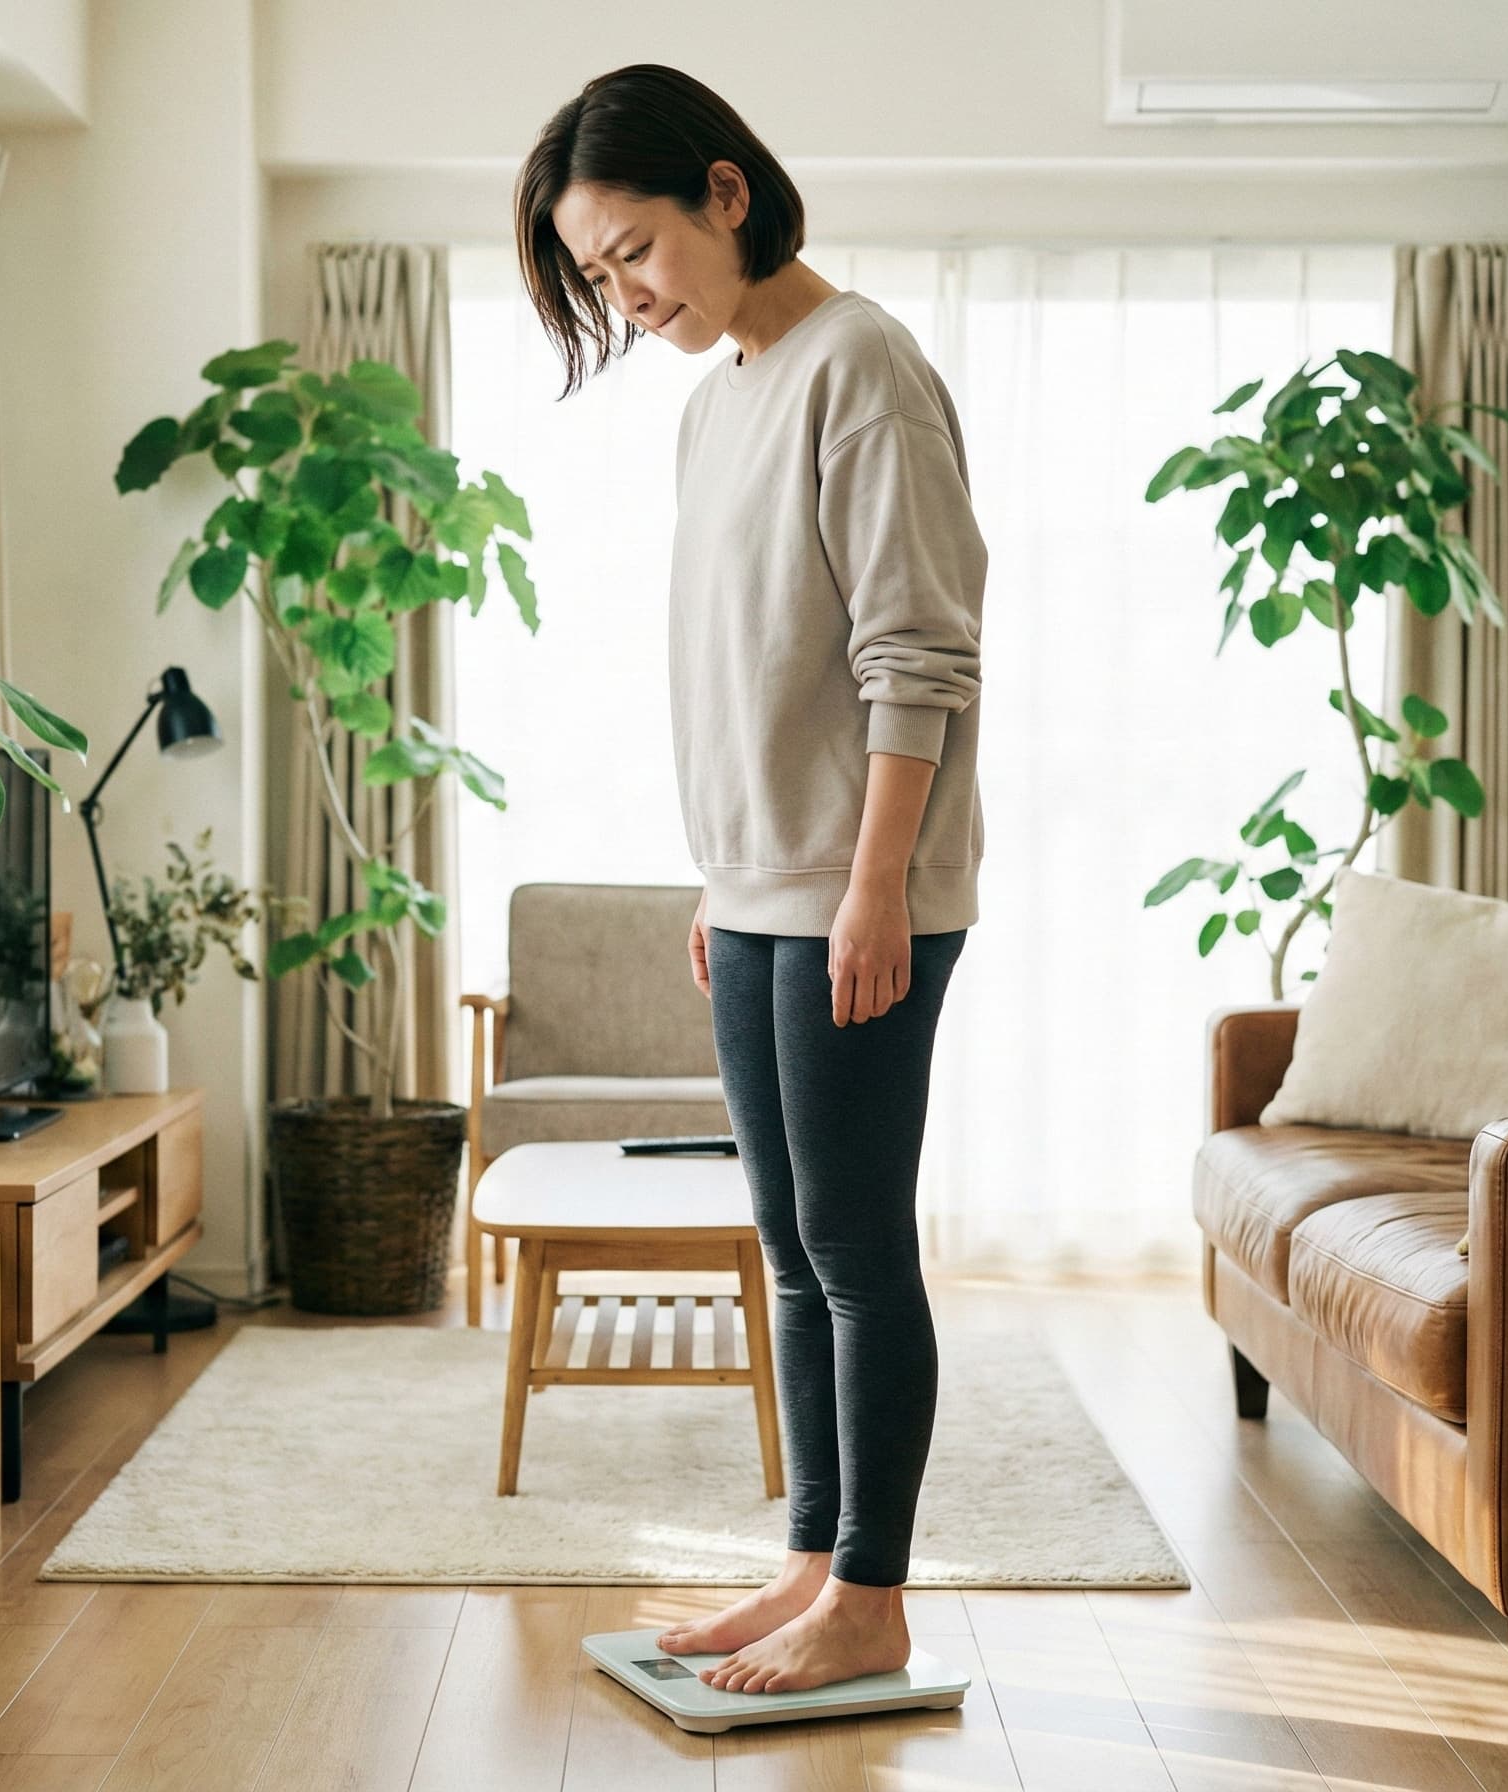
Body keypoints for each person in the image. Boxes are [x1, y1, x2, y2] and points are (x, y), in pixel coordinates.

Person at [514, 65, 989, 1696]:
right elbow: (748, 665)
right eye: (595, 273)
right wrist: (726, 876)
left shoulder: (862, 365)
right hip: (760, 886)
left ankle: (875, 1595)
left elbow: (914, 655)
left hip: (868, 892)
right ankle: (810, 1565)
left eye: (634, 249)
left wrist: (875, 886)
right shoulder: (720, 396)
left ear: (727, 193)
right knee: (789, 1244)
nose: (625, 294)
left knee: (858, 1245)